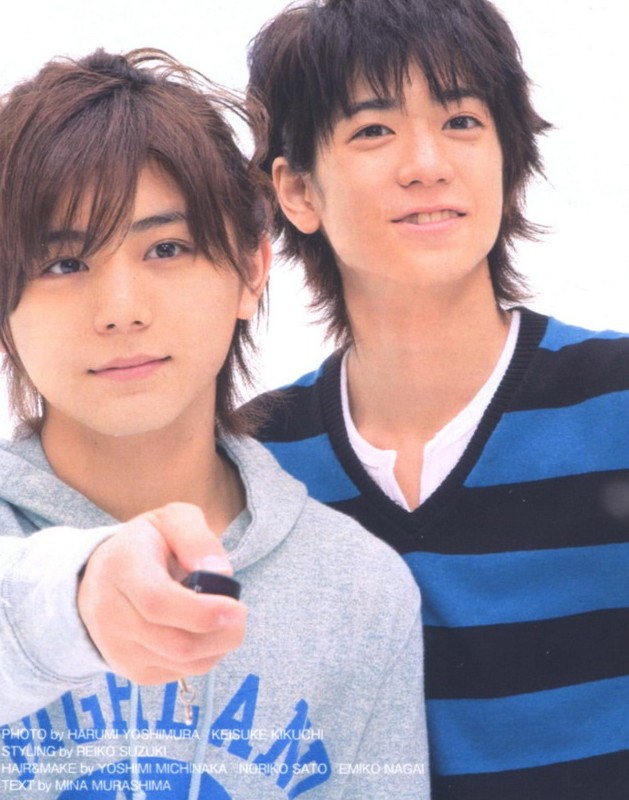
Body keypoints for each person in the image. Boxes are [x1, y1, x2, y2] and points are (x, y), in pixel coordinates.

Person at [0, 49, 429, 800]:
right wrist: (78, 599)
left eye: (166, 248)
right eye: (64, 263)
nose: (121, 310)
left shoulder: (358, 591)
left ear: (251, 270)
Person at [245, 0, 629, 797]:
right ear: (297, 190)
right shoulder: (260, 464)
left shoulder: (614, 400)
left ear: (507, 159)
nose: (426, 163)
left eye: (461, 121)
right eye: (373, 130)